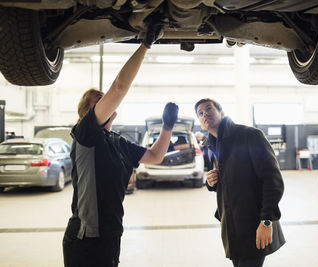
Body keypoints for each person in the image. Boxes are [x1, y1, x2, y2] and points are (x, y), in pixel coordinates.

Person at [62, 23, 179, 267]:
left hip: (112, 231)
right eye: (100, 102)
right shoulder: (85, 134)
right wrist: (146, 44)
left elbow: (155, 156)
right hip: (85, 238)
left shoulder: (117, 141)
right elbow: (119, 88)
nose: (108, 103)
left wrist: (167, 127)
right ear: (87, 112)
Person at [194, 98, 285, 267]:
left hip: (255, 224)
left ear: (221, 112)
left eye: (209, 109)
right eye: (200, 113)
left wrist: (266, 221)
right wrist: (211, 182)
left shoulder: (249, 136)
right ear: (200, 122)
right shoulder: (212, 145)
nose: (205, 114)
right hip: (232, 226)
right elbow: (231, 179)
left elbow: (273, 180)